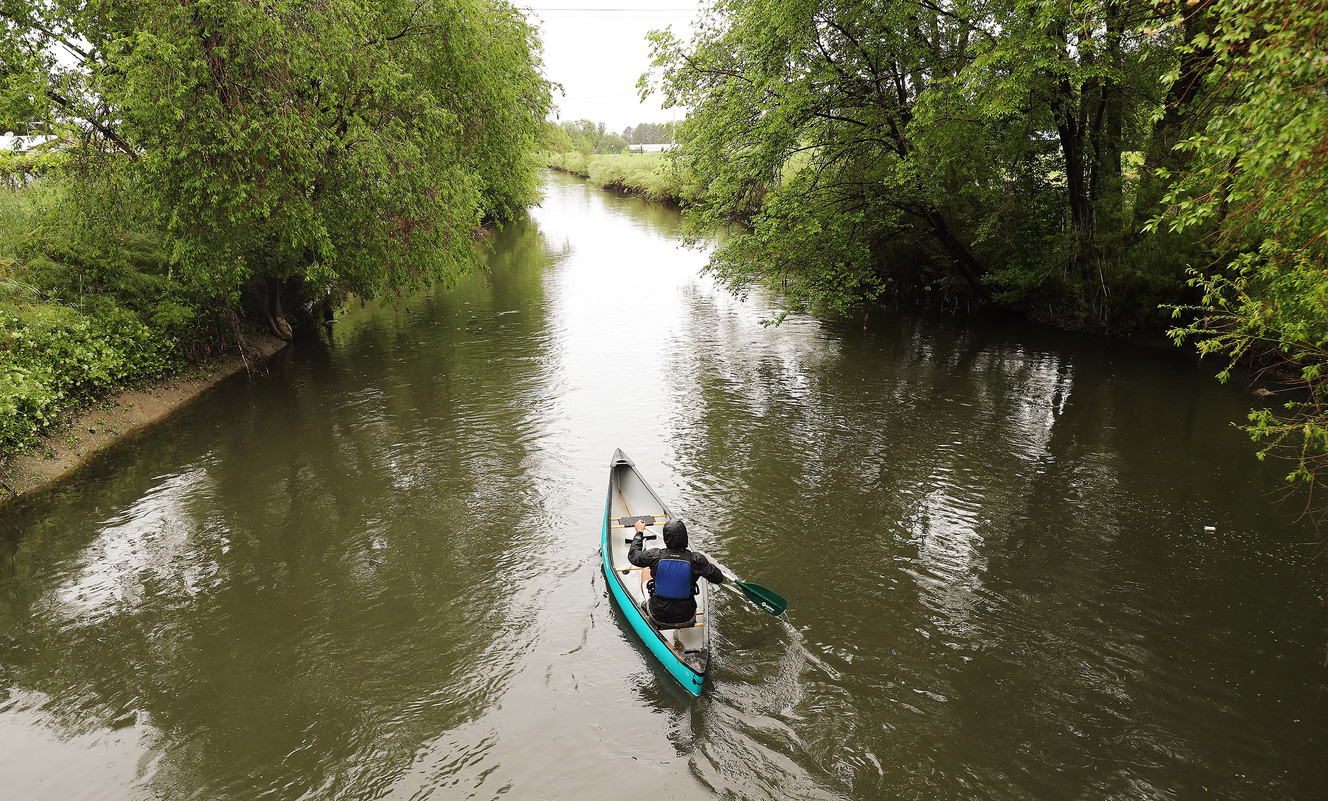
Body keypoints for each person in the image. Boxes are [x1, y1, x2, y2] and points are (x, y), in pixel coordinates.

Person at [628, 517, 724, 627]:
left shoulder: (654, 556)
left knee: (646, 570)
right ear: (685, 537)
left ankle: (646, 607)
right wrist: (708, 565)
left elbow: (633, 556)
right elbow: (718, 578)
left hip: (658, 616)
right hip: (687, 617)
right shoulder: (697, 559)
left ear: (666, 538)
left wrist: (639, 533)